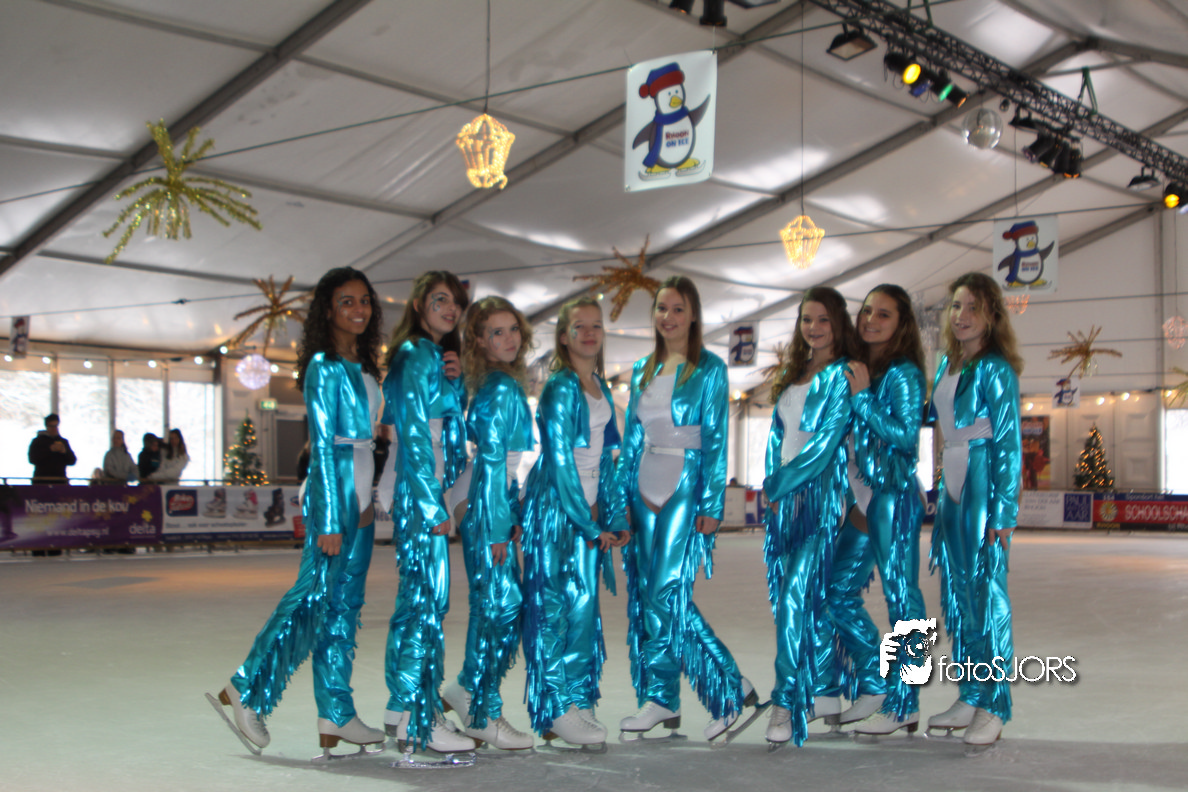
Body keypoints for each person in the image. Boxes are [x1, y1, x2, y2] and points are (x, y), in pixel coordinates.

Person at [209, 267, 386, 757]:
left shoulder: (364, 365)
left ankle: (337, 712)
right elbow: (324, 446)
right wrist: (328, 518)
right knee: (311, 599)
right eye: (347, 301)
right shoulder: (323, 366)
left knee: (343, 609)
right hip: (335, 490)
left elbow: (371, 434)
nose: (358, 309)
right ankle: (246, 688)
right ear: (328, 309)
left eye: (364, 300)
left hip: (362, 489)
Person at [615, 276, 757, 742]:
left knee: (667, 593)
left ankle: (731, 687)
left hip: (684, 485)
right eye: (661, 308)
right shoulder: (643, 368)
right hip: (643, 487)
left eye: (678, 309)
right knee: (648, 595)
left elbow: (716, 439)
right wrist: (621, 503)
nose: (668, 317)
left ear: (693, 315)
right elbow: (632, 439)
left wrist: (712, 502)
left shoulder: (710, 368)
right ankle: (661, 698)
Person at [376, 270, 477, 756]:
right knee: (427, 604)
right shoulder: (416, 353)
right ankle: (418, 717)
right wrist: (431, 502)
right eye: (440, 299)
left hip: (421, 484)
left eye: (455, 301)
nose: (450, 309)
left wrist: (455, 385)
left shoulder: (429, 356)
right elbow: (415, 432)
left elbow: (444, 427)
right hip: (419, 488)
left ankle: (403, 705)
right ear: (418, 305)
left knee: (418, 601)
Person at [520, 296, 627, 748]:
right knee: (552, 610)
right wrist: (588, 524)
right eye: (579, 326)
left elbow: (606, 459)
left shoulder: (600, 387)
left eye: (596, 325)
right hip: (554, 512)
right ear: (563, 336)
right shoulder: (560, 388)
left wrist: (614, 515)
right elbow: (561, 462)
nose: (589, 333)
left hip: (587, 515)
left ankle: (578, 699)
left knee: (583, 609)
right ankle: (553, 705)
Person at [825, 285, 929, 737]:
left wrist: (863, 398)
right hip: (862, 499)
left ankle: (906, 702)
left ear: (901, 324)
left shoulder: (903, 374)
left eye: (883, 314)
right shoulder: (860, 368)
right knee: (836, 592)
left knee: (903, 598)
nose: (870, 320)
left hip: (895, 496)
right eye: (867, 311)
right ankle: (876, 680)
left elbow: (906, 437)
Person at [927, 271, 1022, 747]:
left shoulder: (996, 369)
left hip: (982, 477)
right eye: (956, 306)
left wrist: (1003, 512)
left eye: (973, 308)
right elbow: (939, 425)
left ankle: (995, 703)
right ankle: (971, 692)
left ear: (991, 316)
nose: (961, 316)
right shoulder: (948, 363)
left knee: (987, 595)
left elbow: (1008, 442)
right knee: (959, 594)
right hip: (952, 478)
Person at [761, 287, 860, 748]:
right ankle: (826, 691)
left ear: (838, 323)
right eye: (806, 319)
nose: (813, 328)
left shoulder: (843, 375)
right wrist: (771, 482)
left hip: (819, 501)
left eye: (823, 319)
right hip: (783, 505)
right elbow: (776, 438)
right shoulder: (794, 375)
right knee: (797, 600)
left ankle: (786, 699)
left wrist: (779, 483)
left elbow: (824, 446)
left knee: (795, 599)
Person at [440, 295, 535, 751]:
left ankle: (469, 691)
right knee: (502, 604)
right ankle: (481, 709)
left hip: (487, 495)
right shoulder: (500, 388)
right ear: (479, 340)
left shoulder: (498, 381)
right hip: (483, 495)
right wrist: (499, 523)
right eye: (497, 332)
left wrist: (509, 512)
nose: (509, 338)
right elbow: (495, 459)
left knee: (494, 604)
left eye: (513, 329)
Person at [28, 414, 77, 484]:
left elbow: (72, 461)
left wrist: (64, 452)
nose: (54, 429)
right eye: (51, 426)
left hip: (60, 481)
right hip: (41, 481)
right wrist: (49, 450)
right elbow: (32, 459)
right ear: (46, 426)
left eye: (56, 426)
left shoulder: (63, 442)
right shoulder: (37, 441)